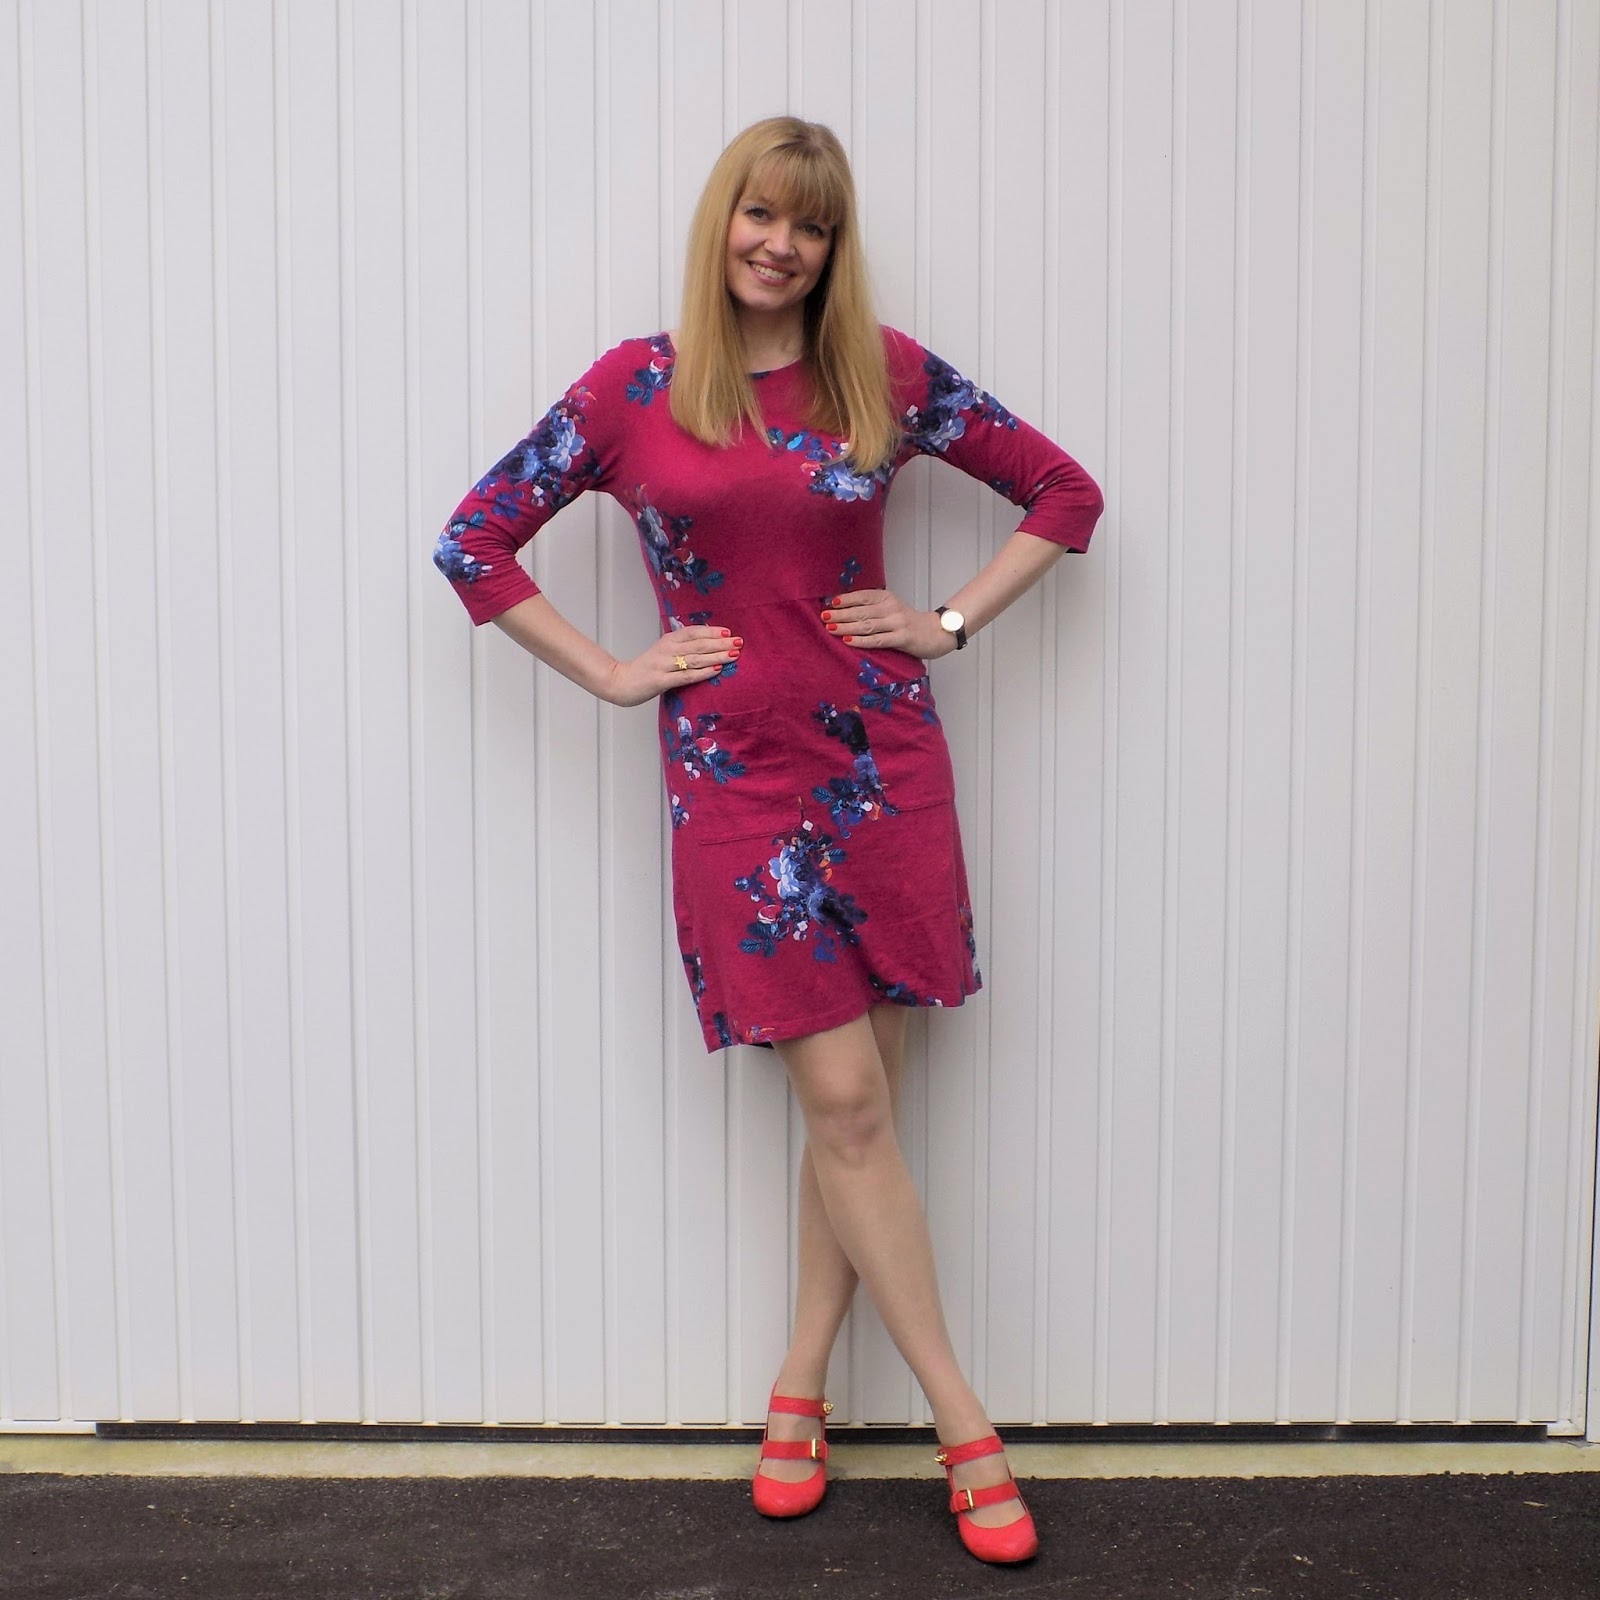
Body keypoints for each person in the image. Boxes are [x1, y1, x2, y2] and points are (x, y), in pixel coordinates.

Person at [434, 115, 1104, 1566]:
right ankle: (961, 1423)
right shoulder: (636, 388)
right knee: (851, 1107)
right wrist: (616, 672)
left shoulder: (887, 375)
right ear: (719, 222)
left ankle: (797, 1391)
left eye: (807, 225)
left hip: (885, 772)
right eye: (758, 214)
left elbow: (1067, 494)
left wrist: (947, 623)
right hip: (734, 791)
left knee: (849, 1117)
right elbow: (474, 540)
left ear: (831, 247)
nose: (778, 244)